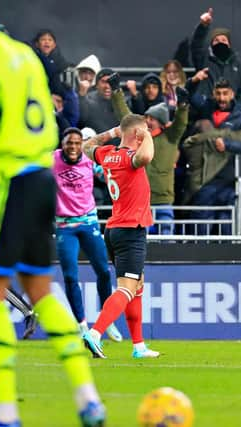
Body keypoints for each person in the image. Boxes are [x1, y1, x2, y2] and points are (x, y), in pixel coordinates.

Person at [0, 2, 104, 426]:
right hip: (41, 181)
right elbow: (47, 125)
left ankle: (5, 413)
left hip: (6, 184)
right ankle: (87, 398)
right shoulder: (25, 56)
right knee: (40, 290)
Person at [80, 114, 159, 359]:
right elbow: (146, 156)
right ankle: (95, 334)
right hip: (130, 230)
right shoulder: (129, 158)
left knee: (137, 285)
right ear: (136, 134)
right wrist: (145, 135)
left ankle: (138, 346)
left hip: (113, 229)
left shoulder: (108, 154)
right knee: (126, 289)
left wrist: (112, 132)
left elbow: (85, 147)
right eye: (143, 131)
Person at [53, 127, 122, 341]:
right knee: (71, 276)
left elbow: (109, 174)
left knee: (103, 271)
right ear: (62, 144)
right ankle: (82, 326)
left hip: (89, 222)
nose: (73, 147)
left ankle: (105, 320)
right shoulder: (51, 160)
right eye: (69, 143)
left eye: (77, 143)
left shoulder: (89, 159)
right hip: (65, 226)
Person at [110, 73, 190, 235]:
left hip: (163, 200)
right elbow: (125, 116)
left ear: (159, 120)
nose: (146, 121)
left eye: (150, 118)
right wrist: (117, 92)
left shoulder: (170, 137)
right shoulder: (136, 137)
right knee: (141, 243)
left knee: (167, 242)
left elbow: (181, 122)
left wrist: (183, 105)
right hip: (139, 200)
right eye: (145, 117)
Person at [184, 78, 241, 235]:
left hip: (228, 180)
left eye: (225, 93)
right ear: (213, 93)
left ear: (232, 94)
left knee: (227, 228)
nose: (222, 98)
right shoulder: (205, 108)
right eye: (218, 93)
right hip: (204, 179)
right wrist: (194, 80)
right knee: (200, 228)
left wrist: (228, 145)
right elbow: (188, 95)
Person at [190, 7, 241, 103]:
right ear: (211, 44)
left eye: (223, 40)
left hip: (229, 110)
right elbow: (196, 45)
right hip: (207, 108)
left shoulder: (238, 65)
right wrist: (203, 26)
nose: (220, 43)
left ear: (229, 44)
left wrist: (237, 108)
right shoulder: (204, 60)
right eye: (216, 40)